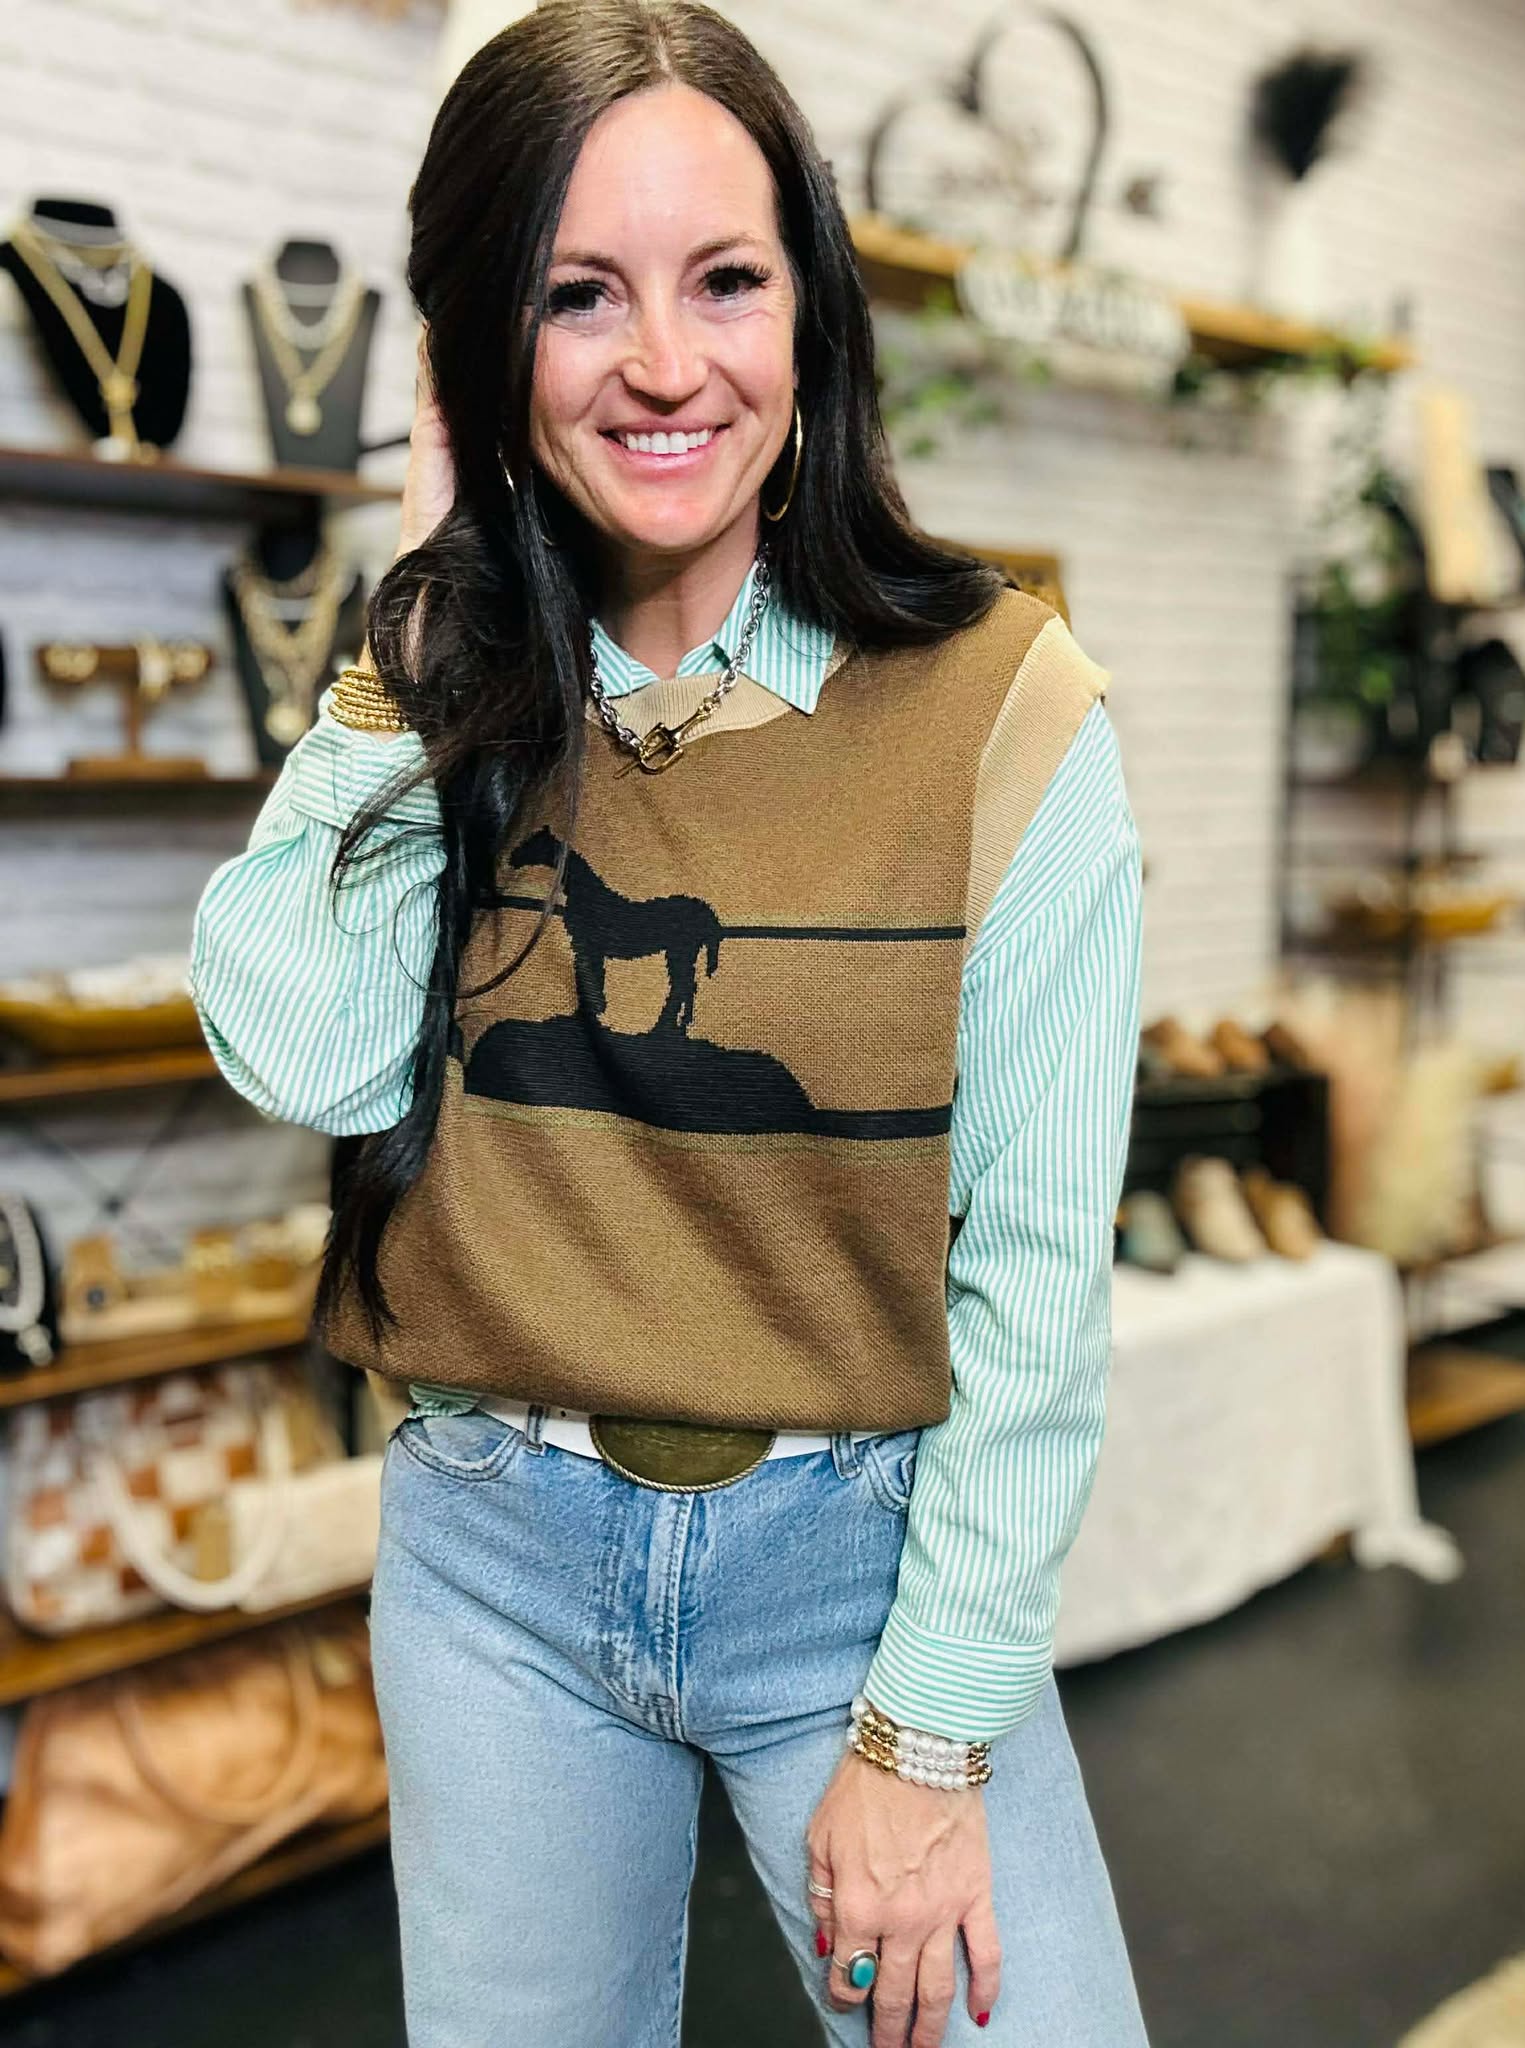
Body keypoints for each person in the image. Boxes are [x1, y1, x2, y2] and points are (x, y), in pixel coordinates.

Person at [190, 5, 1147, 2044]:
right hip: (493, 1562)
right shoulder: (464, 690)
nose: (662, 363)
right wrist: (416, 623)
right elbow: (305, 1049)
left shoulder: (1004, 710)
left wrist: (933, 1732)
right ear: (484, 345)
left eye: (725, 280)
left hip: (857, 1579)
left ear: (811, 308)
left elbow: (1038, 1283)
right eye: (576, 295)